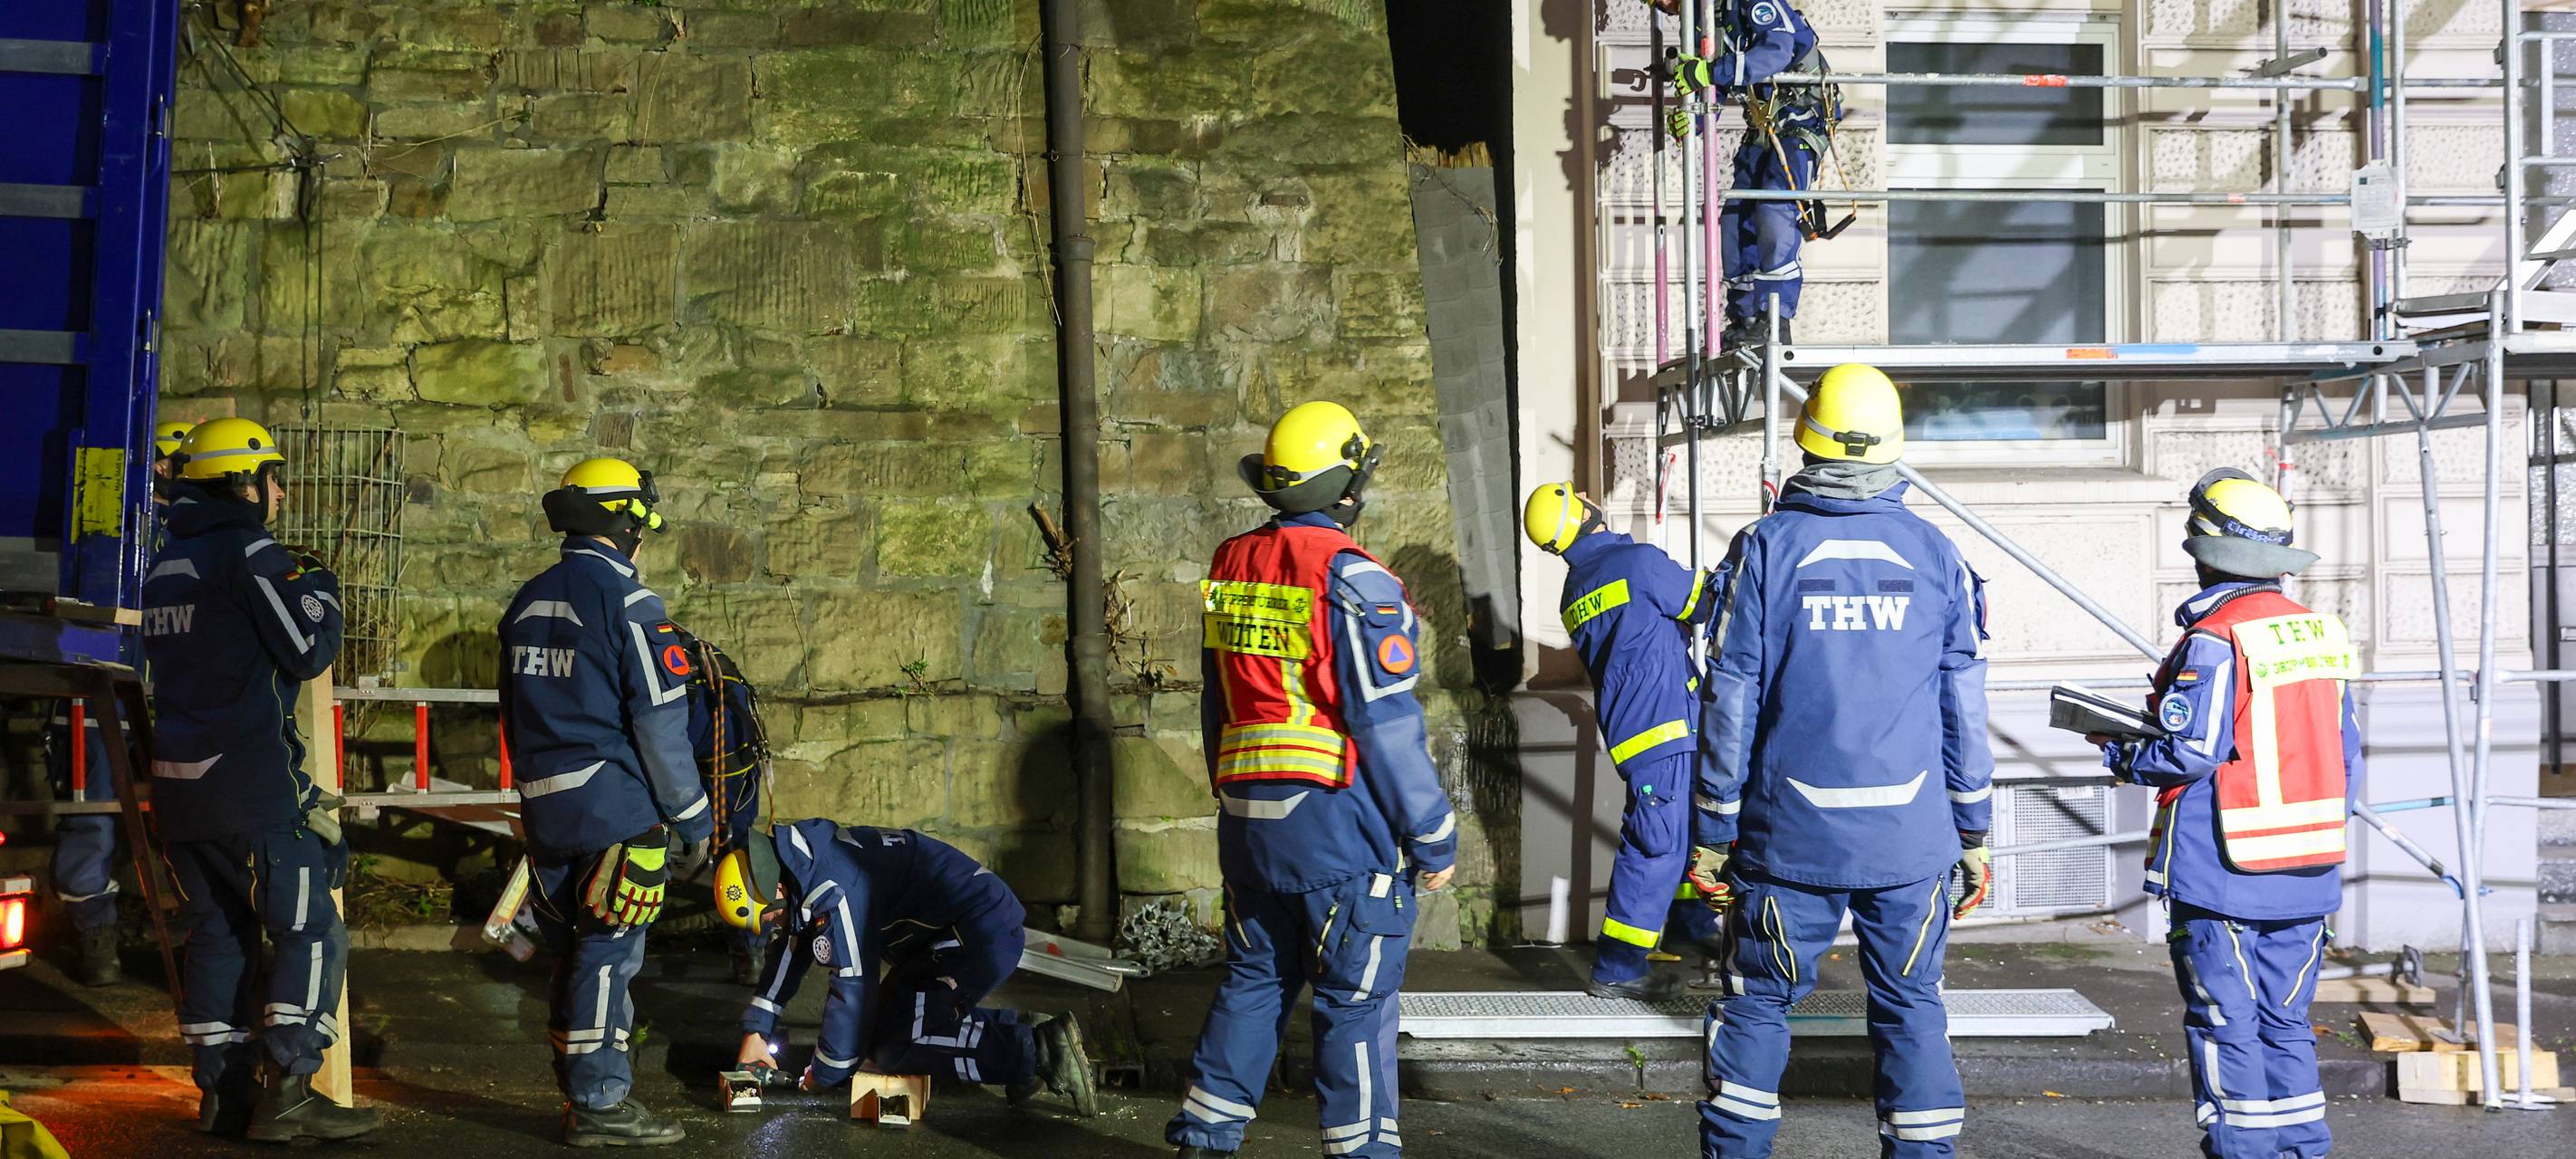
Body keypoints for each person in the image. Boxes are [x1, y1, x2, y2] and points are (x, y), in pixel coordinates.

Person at [1688, 365, 1993, 1158]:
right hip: (1909, 838)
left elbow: (1731, 697)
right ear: (1894, 443)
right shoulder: (1938, 555)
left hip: (1791, 840)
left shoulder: (1764, 551)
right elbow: (1962, 706)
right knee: (1912, 1006)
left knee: (1757, 1007)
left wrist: (1714, 830)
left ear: (1807, 439)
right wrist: (1974, 830)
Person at [1168, 401, 1460, 1159]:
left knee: (1255, 979)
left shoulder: (1228, 565)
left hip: (1248, 820)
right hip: (1339, 829)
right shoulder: (1358, 581)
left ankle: (1203, 1137)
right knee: (1354, 1005)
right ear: (1350, 487)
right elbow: (1385, 727)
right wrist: (1433, 833)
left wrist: (1226, 789)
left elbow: (1216, 697)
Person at [2093, 470, 2360, 1159]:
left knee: (2225, 1023)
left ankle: (2241, 1151)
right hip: (2309, 868)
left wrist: (2123, 754)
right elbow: (2346, 759)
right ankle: (2302, 1148)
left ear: (2203, 553)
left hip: (2223, 869)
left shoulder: (2215, 639)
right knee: (2288, 1023)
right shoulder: (2320, 636)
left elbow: (2187, 753)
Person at [141, 417, 380, 1142]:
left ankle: (224, 1097)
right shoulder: (247, 552)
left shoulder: (164, 563)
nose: (278, 491)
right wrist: (322, 587)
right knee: (311, 930)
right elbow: (308, 647)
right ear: (241, 484)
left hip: (182, 792)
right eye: (270, 478)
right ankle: (295, 1091)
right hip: (252, 791)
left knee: (219, 937)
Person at [496, 457, 716, 1146]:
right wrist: (693, 819)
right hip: (614, 810)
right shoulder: (631, 605)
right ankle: (599, 1104)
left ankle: (580, 1092)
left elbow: (512, 711)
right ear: (628, 523)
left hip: (545, 809)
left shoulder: (527, 601)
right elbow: (659, 724)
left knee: (571, 953)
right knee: (610, 953)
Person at [716, 819, 1096, 1115]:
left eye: (771, 921)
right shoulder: (802, 864)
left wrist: (825, 1072)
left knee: (892, 1047)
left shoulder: (836, 889)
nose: (775, 929)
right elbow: (792, 946)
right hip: (954, 931)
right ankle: (1018, 1030)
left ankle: (1038, 1052)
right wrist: (757, 1030)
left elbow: (854, 989)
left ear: (777, 891)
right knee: (886, 1028)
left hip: (979, 936)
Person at [1522, 482, 1723, 1000]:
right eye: (1580, 497)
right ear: (1580, 514)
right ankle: (1619, 966)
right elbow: (1702, 602)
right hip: (1666, 728)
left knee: (1679, 833)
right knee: (1655, 845)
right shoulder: (1637, 563)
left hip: (1638, 731)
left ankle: (1690, 927)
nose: (1590, 496)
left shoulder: (1576, 591)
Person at [46, 420, 189, 987]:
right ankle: (97, 939)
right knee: (92, 824)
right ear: (161, 466)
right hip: (113, 698)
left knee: (103, 824)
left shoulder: (178, 532)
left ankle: (114, 937)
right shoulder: (124, 527)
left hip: (144, 700)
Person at [1670, 0, 1838, 348]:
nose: (1666, 6)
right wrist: (1694, 122)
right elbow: (1712, 89)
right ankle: (1744, 318)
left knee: (1774, 212)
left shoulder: (1754, 2)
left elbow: (1776, 52)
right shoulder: (1710, 21)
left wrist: (1708, 72)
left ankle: (1775, 316)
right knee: (1734, 221)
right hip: (1763, 127)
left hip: (1798, 123)